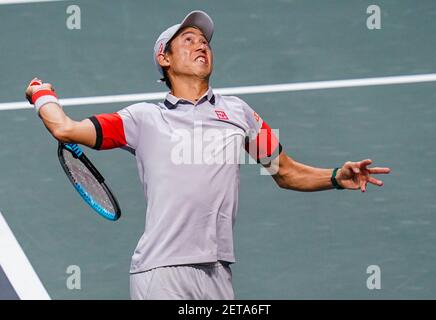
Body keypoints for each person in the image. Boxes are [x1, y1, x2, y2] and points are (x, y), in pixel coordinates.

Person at [25, 10, 390, 300]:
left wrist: (335, 177)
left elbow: (285, 171)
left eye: (204, 41)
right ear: (163, 58)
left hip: (218, 271)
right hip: (161, 272)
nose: (201, 45)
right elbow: (66, 129)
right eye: (188, 40)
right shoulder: (143, 118)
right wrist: (43, 96)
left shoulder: (239, 113)